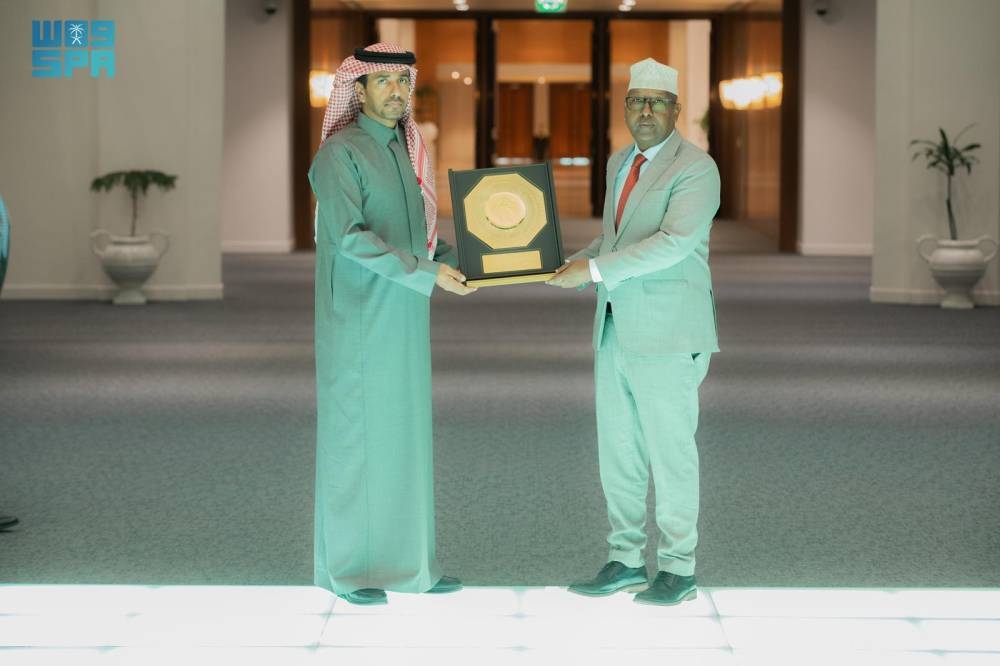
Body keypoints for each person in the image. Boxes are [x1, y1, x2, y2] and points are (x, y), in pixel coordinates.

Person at [548, 57, 720, 606]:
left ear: (675, 109)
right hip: (614, 326)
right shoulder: (619, 163)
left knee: (670, 452)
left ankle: (678, 567)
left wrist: (594, 270)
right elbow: (614, 240)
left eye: (657, 102)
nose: (645, 111)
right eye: (636, 101)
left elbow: (674, 243)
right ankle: (624, 558)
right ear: (624, 108)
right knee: (618, 451)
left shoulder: (697, 168)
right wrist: (570, 263)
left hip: (669, 331)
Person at [309, 43, 476, 606]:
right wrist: (428, 273)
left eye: (403, 81)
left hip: (404, 312)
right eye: (383, 81)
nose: (396, 91)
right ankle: (349, 571)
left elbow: (416, 236)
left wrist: (466, 261)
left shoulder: (405, 149)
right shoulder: (339, 154)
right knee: (357, 441)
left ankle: (411, 567)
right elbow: (349, 238)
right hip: (359, 316)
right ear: (357, 90)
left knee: (405, 437)